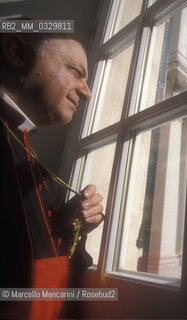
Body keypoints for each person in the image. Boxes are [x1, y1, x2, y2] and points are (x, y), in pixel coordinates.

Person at [0, 29, 104, 319]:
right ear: (17, 53)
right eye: (75, 71)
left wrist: (66, 227)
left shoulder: (20, 145)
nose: (87, 92)